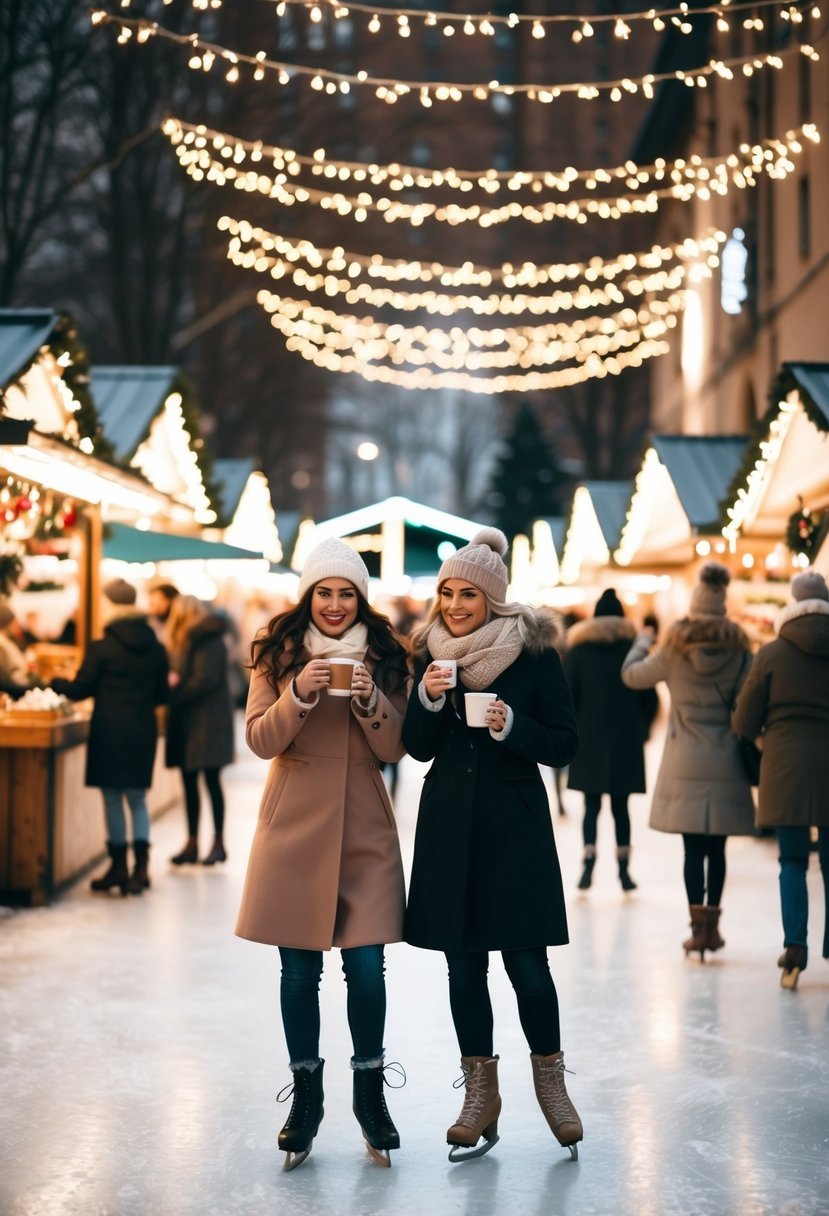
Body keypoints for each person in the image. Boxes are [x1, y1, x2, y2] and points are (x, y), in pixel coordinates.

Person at [403, 528, 582, 1163]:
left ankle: (552, 1086)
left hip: (515, 829)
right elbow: (417, 746)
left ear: (494, 599)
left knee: (529, 967)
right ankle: (480, 1092)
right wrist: (426, 698)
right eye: (447, 593)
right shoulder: (429, 656)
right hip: (451, 828)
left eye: (468, 595)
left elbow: (564, 743)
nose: (454, 605)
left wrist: (515, 727)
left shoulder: (535, 656)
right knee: (463, 967)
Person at [235, 538, 410, 1171]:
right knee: (299, 972)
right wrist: (298, 694)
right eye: (324, 592)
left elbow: (396, 750)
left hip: (364, 829)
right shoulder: (277, 653)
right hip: (294, 831)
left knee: (367, 968)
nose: (335, 605)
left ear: (361, 597)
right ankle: (305, 1099)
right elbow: (259, 739)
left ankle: (370, 1098)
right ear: (307, 595)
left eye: (347, 593)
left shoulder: (389, 656)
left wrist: (369, 700)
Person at [621, 562, 755, 959]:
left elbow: (631, 676)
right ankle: (714, 928)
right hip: (727, 760)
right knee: (718, 849)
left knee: (692, 850)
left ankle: (696, 930)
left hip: (684, 762)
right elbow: (751, 701)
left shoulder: (676, 647)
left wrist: (643, 642)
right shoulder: (740, 650)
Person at [733, 568, 829, 989]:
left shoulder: (772, 653)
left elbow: (744, 719)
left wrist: (761, 742)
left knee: (792, 861)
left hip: (785, 766)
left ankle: (795, 950)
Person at [51, 578, 169, 895]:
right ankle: (140, 870)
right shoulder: (157, 649)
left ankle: (118, 866)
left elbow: (80, 689)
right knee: (137, 797)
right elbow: (162, 695)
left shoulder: (102, 647)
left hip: (109, 730)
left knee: (113, 798)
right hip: (142, 730)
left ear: (112, 607)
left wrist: (55, 681)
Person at [563, 587, 647, 891]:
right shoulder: (633, 649)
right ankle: (624, 871)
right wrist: (643, 728)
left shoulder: (579, 651)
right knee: (621, 807)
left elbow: (566, 697)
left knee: (591, 805)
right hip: (626, 738)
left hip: (588, 739)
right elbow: (649, 697)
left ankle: (588, 864)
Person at [164, 595, 234, 866]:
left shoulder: (208, 640)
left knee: (211, 781)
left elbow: (205, 680)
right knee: (189, 782)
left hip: (208, 722)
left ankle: (218, 843)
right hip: (188, 722)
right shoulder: (187, 641)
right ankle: (192, 842)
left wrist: (175, 691)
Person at [0, 601, 32, 699]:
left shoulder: (8, 640)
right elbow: (7, 681)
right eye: (13, 623)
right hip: (17, 688)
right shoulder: (2, 644)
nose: (16, 625)